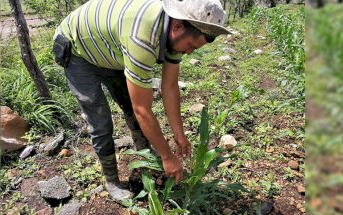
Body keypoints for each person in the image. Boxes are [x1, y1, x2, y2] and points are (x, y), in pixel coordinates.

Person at [53, 0, 231, 203]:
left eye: (194, 49)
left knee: (129, 104)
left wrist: (179, 135)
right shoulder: (142, 36)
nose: (189, 52)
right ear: (178, 27)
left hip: (111, 48)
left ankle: (145, 154)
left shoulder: (175, 31)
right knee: (101, 119)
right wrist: (167, 156)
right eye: (190, 46)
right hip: (78, 50)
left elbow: (170, 87)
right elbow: (143, 110)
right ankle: (111, 180)